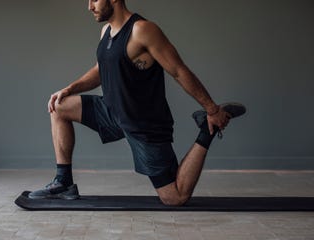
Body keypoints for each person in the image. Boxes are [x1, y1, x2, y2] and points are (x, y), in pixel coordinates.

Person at [28, 0, 246, 206]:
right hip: (112, 111)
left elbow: (179, 71)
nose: (89, 6)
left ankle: (206, 131)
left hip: (143, 123)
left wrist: (212, 109)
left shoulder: (143, 30)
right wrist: (68, 89)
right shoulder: (106, 31)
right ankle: (63, 183)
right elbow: (100, 70)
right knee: (58, 107)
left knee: (175, 198)